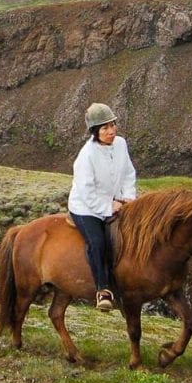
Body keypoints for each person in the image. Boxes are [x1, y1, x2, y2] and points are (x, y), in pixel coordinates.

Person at [67, 102, 137, 311]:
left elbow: (128, 173)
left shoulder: (121, 144)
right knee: (97, 242)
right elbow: (86, 192)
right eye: (104, 128)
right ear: (95, 132)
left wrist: (128, 198)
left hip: (116, 201)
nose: (111, 131)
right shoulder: (86, 156)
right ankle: (103, 290)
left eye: (112, 125)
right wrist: (109, 206)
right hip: (86, 207)